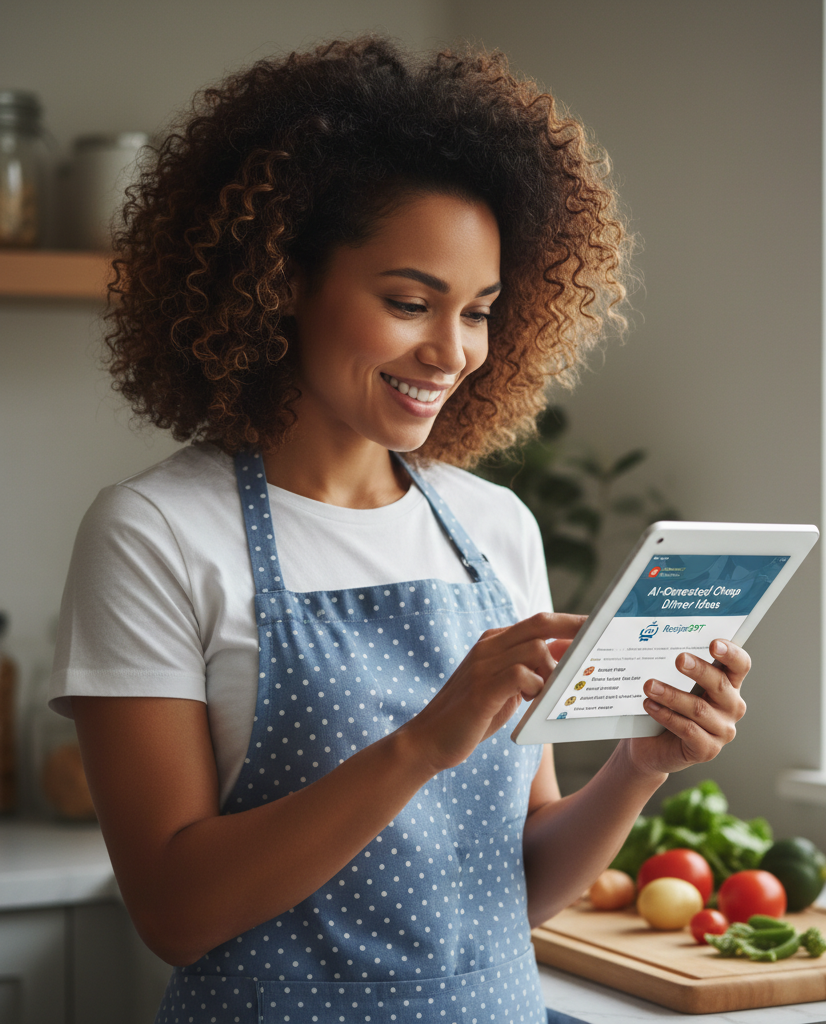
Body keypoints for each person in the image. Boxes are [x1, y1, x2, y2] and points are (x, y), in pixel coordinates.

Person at [50, 37, 750, 1024]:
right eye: (409, 301)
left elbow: (516, 886)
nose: (452, 350)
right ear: (279, 279)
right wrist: (424, 740)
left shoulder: (492, 525)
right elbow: (175, 910)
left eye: (479, 310)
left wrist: (639, 766)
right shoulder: (156, 534)